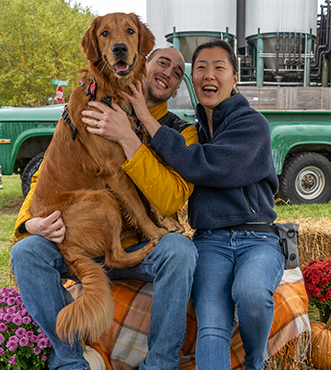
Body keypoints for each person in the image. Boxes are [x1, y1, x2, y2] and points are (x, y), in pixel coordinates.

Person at [86, 39, 286, 370]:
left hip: (258, 238)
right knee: (211, 325)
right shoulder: (192, 131)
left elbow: (203, 165)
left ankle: (254, 362)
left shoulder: (252, 125)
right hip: (211, 241)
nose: (210, 74)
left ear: (235, 78)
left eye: (219, 68)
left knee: (251, 293)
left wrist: (144, 121)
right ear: (192, 82)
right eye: (201, 68)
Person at [10, 47, 198, 370]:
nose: (168, 72)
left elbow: (172, 198)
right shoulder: (93, 105)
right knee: (25, 253)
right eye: (162, 63)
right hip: (87, 237)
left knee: (181, 251)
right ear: (143, 63)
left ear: (178, 87)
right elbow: (52, 172)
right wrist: (28, 223)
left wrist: (129, 138)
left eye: (177, 72)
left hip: (139, 244)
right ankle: (70, 360)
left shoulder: (183, 131)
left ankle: (160, 364)